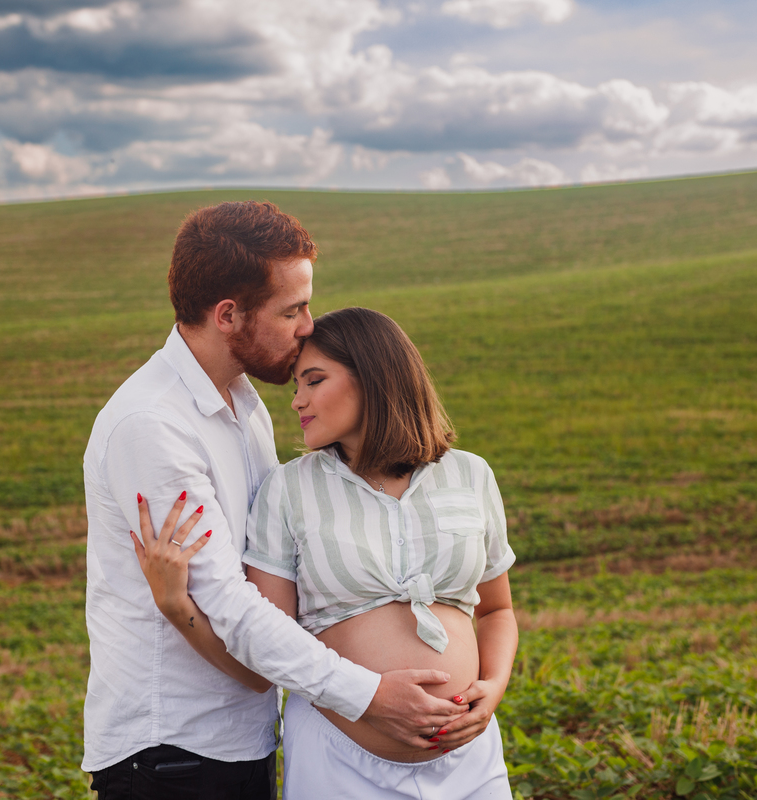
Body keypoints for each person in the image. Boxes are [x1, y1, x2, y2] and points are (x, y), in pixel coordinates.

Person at [82, 201, 467, 800]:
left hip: (243, 738)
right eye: (292, 310)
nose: (308, 326)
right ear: (229, 315)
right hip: (172, 755)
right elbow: (230, 605)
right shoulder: (152, 425)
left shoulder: (244, 403)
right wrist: (368, 694)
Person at [137, 306, 518, 799]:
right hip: (340, 760)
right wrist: (176, 605)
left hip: (471, 759)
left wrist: (494, 688)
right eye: (296, 385)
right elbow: (261, 653)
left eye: (314, 381)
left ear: (375, 377)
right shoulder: (287, 490)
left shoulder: (471, 474)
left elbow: (497, 609)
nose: (297, 401)